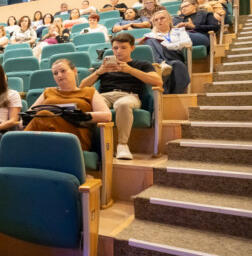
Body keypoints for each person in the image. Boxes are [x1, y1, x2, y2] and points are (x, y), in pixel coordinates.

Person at [79, 32, 162, 160]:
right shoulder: (104, 66)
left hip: (129, 96)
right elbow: (82, 87)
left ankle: (122, 145)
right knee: (87, 105)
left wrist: (130, 70)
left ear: (132, 48)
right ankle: (95, 146)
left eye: (123, 48)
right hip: (105, 96)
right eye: (115, 48)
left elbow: (158, 81)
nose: (118, 51)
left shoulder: (142, 64)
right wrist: (99, 72)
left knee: (122, 104)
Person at [25, 59, 113, 151]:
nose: (59, 75)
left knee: (43, 115)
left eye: (63, 71)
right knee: (42, 115)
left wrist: (80, 115)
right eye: (55, 73)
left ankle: (21, 146)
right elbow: (29, 113)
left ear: (74, 71)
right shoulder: (48, 92)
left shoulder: (89, 91)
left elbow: (107, 115)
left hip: (75, 137)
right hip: (47, 134)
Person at [141, 9, 193, 94]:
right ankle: (161, 64)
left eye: (162, 18)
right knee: (149, 40)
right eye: (156, 20)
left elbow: (187, 42)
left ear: (169, 19)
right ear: (153, 23)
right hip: (158, 59)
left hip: (174, 55)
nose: (159, 21)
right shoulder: (149, 35)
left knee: (177, 64)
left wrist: (168, 46)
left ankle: (162, 65)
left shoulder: (179, 31)